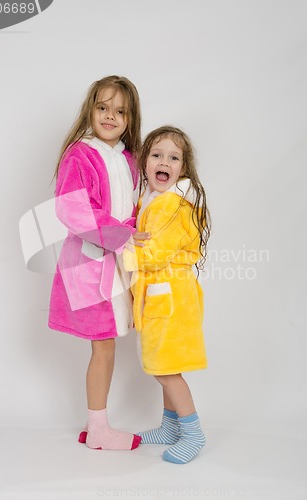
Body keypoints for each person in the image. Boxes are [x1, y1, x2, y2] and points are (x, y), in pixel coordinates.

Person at [48, 75, 149, 451]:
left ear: (130, 118)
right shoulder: (80, 153)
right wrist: (119, 233)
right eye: (103, 107)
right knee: (103, 346)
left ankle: (97, 425)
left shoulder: (128, 158)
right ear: (90, 109)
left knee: (110, 344)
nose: (110, 116)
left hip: (119, 261)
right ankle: (98, 429)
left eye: (120, 111)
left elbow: (135, 207)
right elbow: (72, 207)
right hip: (90, 264)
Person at [123, 125, 211, 464]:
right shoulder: (153, 201)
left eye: (174, 158)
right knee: (163, 361)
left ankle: (193, 433)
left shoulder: (171, 205)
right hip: (165, 296)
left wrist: (124, 246)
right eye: (157, 155)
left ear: (183, 168)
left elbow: (154, 253)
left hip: (171, 298)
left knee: (166, 368)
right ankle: (170, 426)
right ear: (145, 163)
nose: (164, 162)